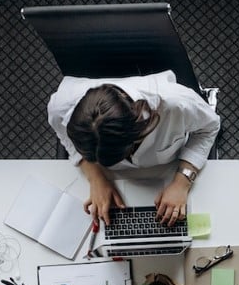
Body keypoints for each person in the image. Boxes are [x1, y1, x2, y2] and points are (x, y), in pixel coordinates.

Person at [48, 70, 220, 226]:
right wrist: (95, 177)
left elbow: (209, 127)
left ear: (136, 131)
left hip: (170, 170)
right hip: (115, 180)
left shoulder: (177, 104)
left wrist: (181, 182)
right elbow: (62, 133)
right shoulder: (61, 107)